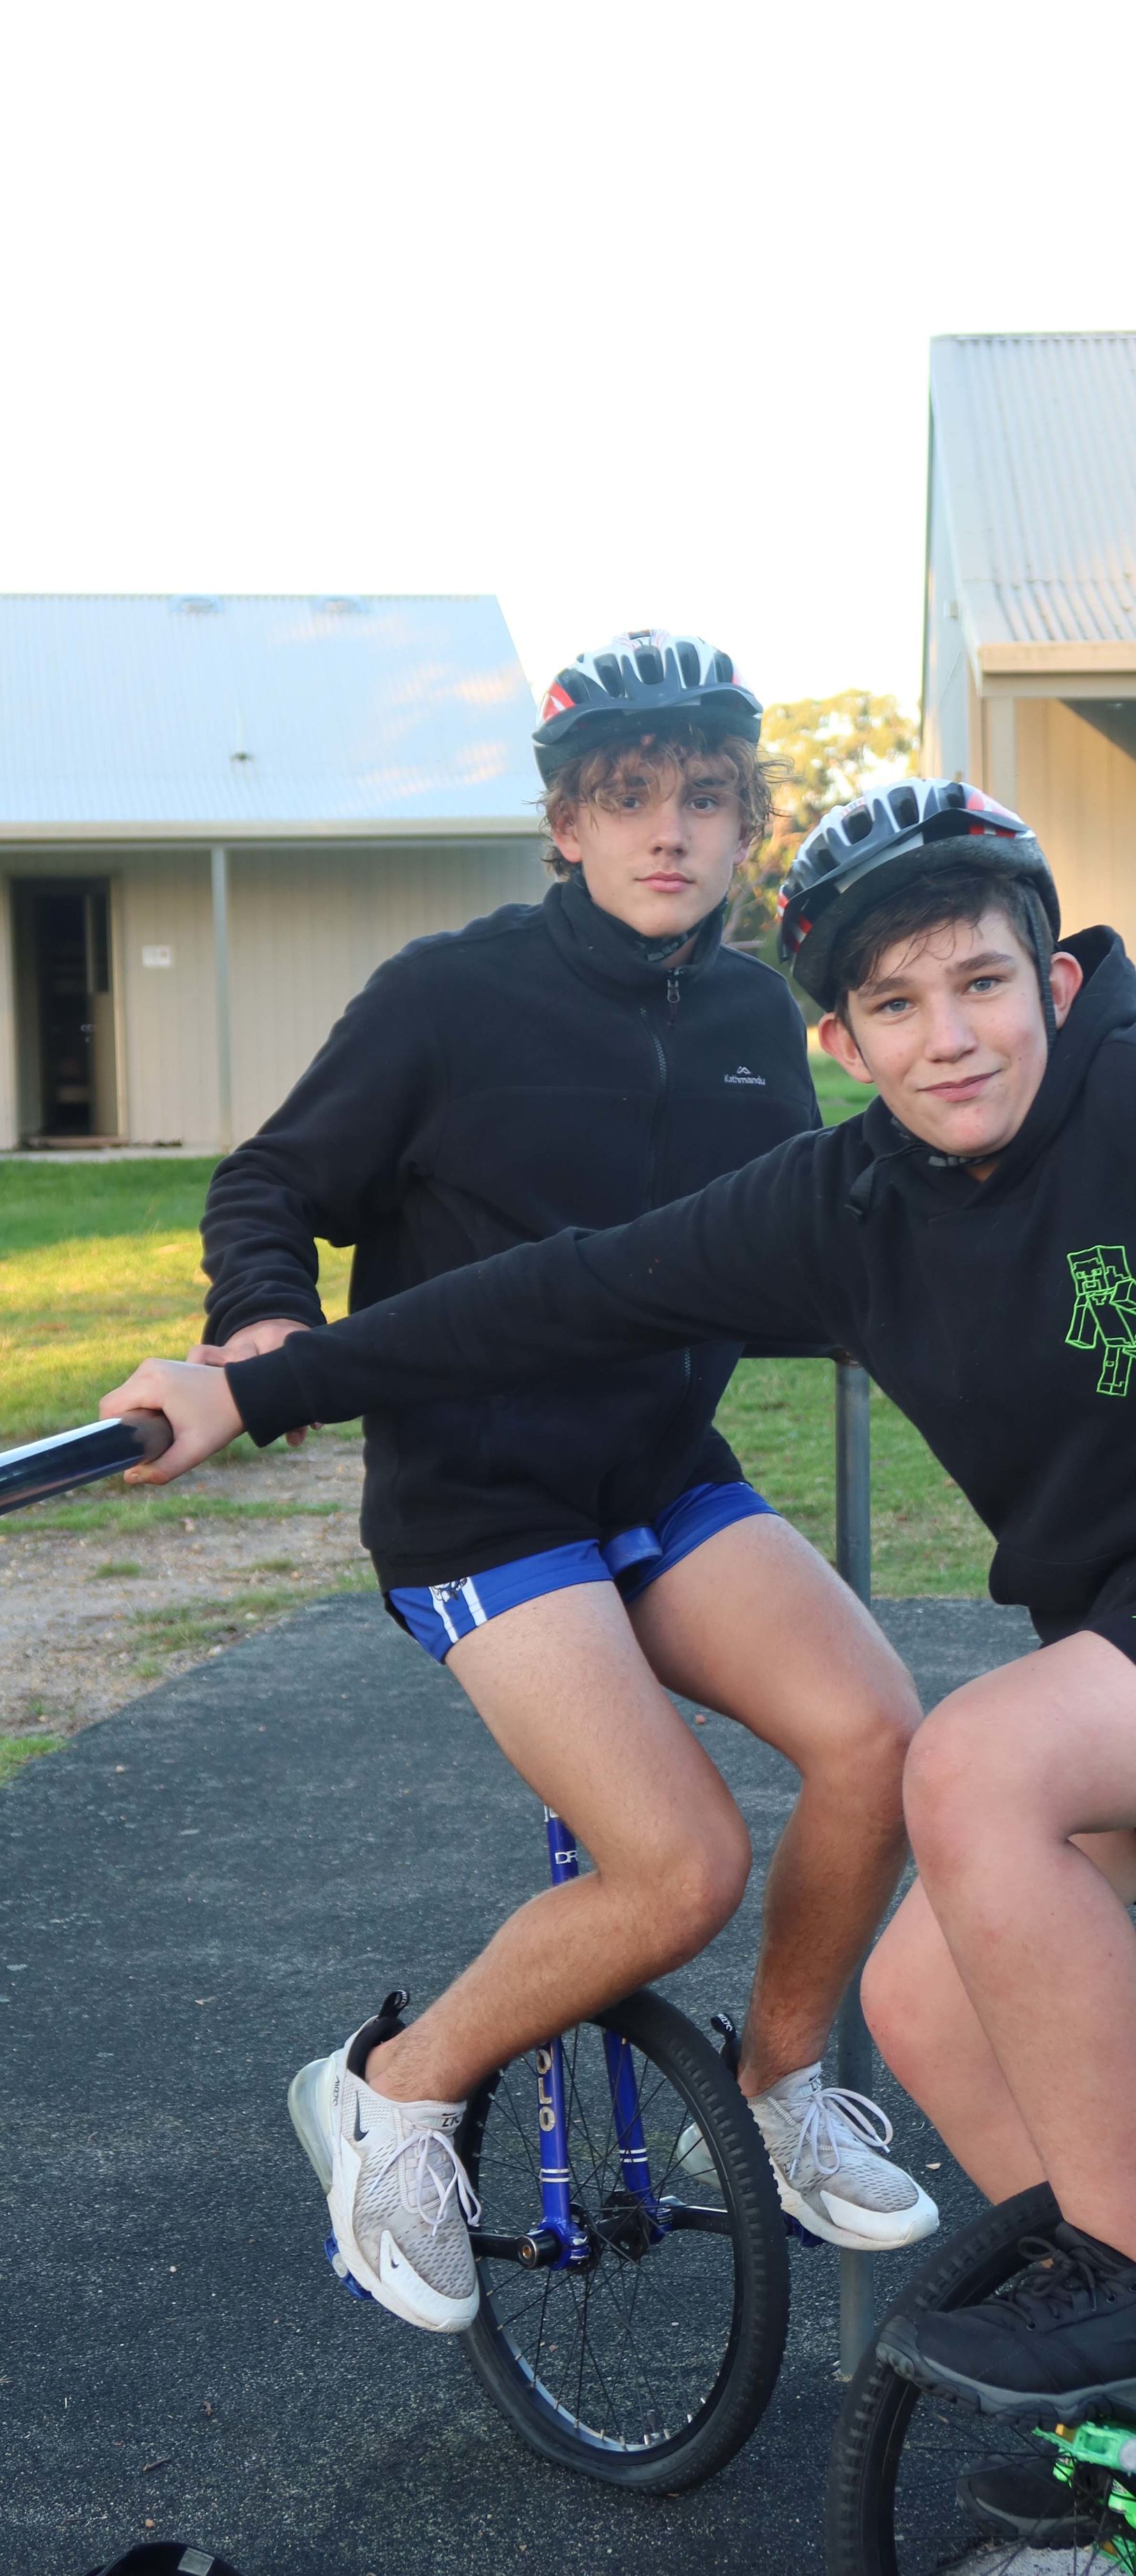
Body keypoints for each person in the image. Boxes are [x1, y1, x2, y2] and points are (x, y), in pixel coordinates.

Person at [109, 775, 1136, 2536]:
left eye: (980, 983)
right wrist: (251, 1387)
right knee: (917, 1999)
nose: (948, 1038)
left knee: (969, 1761)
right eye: (895, 1006)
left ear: (1053, 980)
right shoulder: (843, 1208)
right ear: (840, 1041)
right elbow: (553, 1294)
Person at [187, 634, 934, 2340]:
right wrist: (265, 1324)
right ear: (564, 826)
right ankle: (390, 2090)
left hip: (662, 1477)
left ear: (741, 824)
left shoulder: (748, 1017)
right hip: (484, 1501)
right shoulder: (447, 995)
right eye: (628, 798)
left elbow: (800, 1232)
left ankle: (775, 2087)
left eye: (702, 799)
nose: (667, 830)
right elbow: (272, 1180)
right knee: (677, 1872)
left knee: (880, 1740)